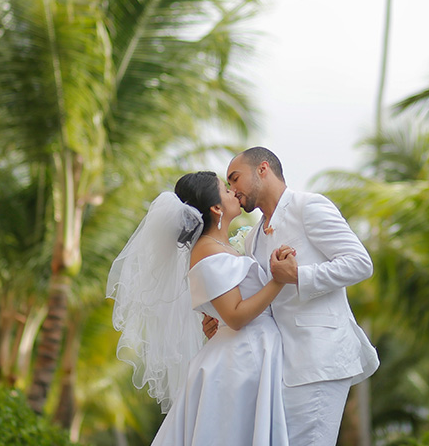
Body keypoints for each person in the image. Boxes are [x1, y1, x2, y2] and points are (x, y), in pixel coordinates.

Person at [107, 171, 296, 446]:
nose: (234, 192)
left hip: (245, 355)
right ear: (216, 208)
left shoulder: (219, 246)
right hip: (238, 362)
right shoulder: (207, 249)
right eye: (225, 189)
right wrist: (279, 279)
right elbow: (235, 315)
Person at [208, 147, 380, 446]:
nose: (233, 190)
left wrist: (300, 276)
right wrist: (221, 320)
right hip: (279, 365)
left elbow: (360, 263)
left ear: (263, 169)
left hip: (319, 358)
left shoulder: (308, 206)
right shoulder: (252, 237)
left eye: (235, 179)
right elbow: (263, 299)